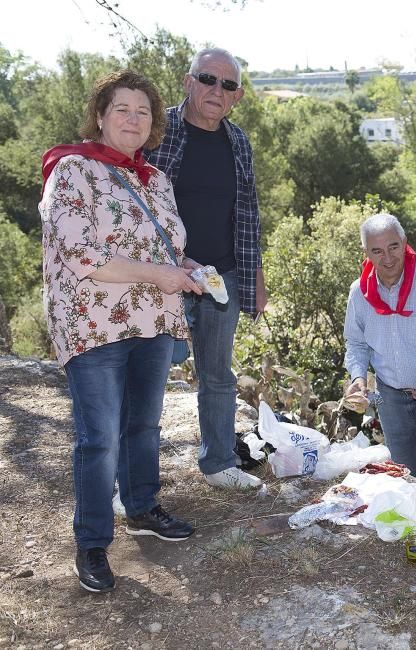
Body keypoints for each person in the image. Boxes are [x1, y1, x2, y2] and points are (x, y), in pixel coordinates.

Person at [40, 70, 201, 593]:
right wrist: (162, 274)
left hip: (152, 321)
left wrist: (189, 268)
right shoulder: (72, 171)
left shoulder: (156, 179)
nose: (133, 119)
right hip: (94, 325)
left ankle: (141, 507)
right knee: (100, 437)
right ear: (101, 115)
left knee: (144, 425)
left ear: (154, 122)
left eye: (144, 111)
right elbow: (82, 255)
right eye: (122, 109)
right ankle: (92, 542)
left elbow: (167, 249)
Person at [145, 47, 267, 490]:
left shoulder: (238, 142)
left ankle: (218, 464)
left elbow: (249, 213)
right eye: (208, 79)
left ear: (237, 97)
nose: (217, 90)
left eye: (228, 85)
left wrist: (256, 277)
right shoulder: (157, 134)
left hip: (223, 279)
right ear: (188, 81)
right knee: (148, 375)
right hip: (163, 278)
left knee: (218, 375)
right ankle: (134, 481)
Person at [343, 213, 416, 491]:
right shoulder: (359, 292)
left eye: (393, 246)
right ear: (366, 252)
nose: (388, 258)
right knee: (405, 472)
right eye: (377, 251)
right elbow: (355, 343)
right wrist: (358, 378)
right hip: (390, 397)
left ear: (404, 242)